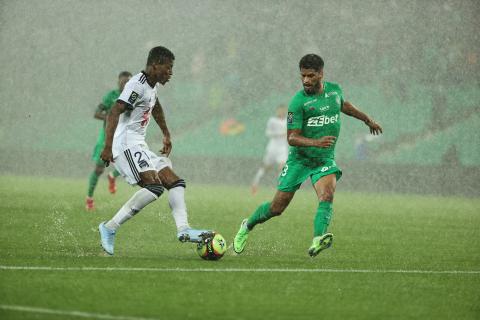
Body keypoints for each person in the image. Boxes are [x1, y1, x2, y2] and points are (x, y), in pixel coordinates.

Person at [234, 54, 383, 257]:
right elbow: (292, 138)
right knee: (277, 208)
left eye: (311, 76)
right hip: (300, 160)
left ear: (321, 74)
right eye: (302, 76)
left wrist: (368, 120)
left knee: (327, 195)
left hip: (324, 159)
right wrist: (316, 142)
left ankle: (317, 239)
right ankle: (247, 225)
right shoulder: (297, 102)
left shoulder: (334, 90)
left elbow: (344, 105)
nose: (305, 80)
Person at [98, 46, 211, 255]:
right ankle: (109, 227)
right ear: (155, 65)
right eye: (167, 68)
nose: (171, 73)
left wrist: (166, 133)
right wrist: (107, 147)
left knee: (176, 182)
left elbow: (155, 106)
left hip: (138, 144)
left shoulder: (151, 85)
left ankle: (184, 230)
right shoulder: (136, 85)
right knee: (155, 187)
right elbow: (114, 111)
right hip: (124, 145)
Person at [86, 71, 132, 211]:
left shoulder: (132, 97)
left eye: (127, 82)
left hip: (123, 137)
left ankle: (113, 176)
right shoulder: (111, 96)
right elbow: (96, 113)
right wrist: (109, 118)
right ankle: (89, 199)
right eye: (123, 81)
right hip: (107, 137)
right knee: (99, 169)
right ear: (118, 81)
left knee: (130, 163)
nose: (125, 84)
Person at [251, 104, 289, 195]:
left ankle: (280, 189)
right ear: (277, 111)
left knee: (282, 167)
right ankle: (255, 182)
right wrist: (279, 134)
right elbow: (268, 133)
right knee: (266, 167)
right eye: (280, 110)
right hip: (272, 147)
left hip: (283, 148)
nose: (281, 112)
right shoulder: (272, 120)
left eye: (283, 110)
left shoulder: (288, 119)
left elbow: (291, 127)